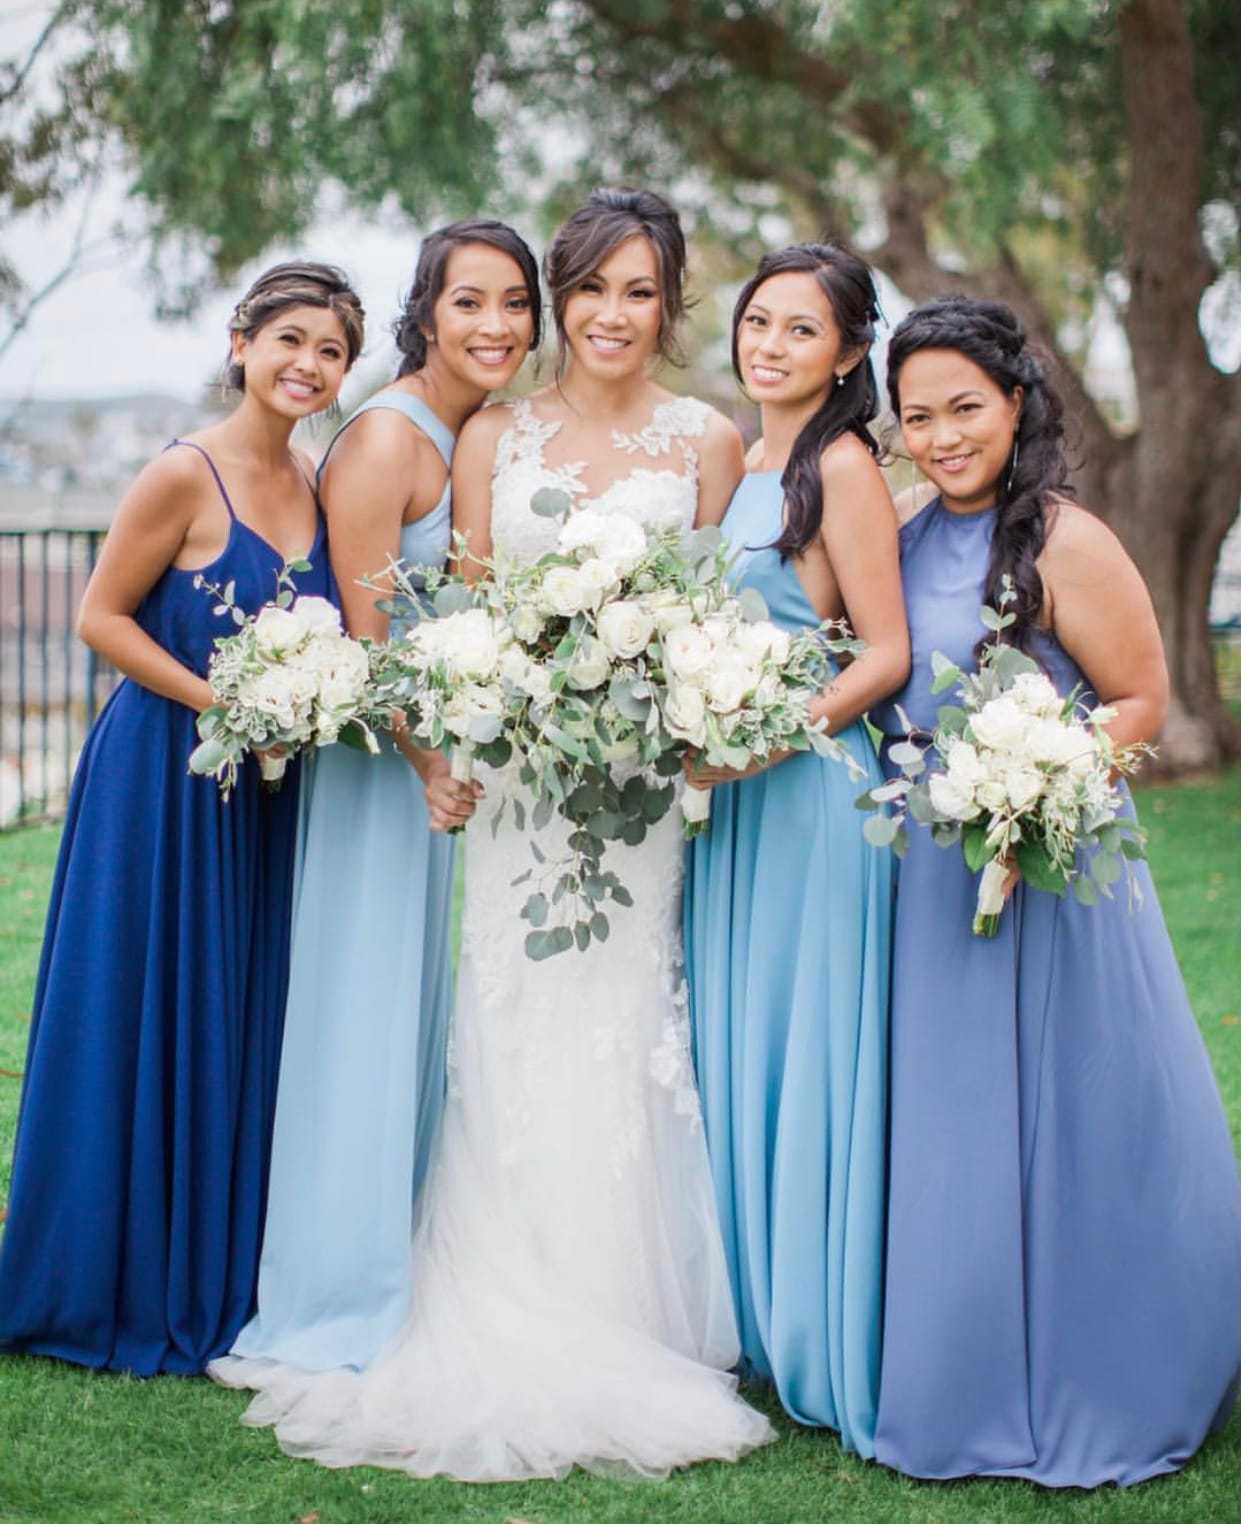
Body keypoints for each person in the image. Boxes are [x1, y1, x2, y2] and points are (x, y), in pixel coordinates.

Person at [225, 188, 774, 1481]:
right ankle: (499, 1275)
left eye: (638, 292)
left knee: (633, 1012)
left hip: (639, 787)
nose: (609, 314)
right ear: (561, 302)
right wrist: (506, 701)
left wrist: (674, 687)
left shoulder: (709, 440)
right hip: (519, 782)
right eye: (587, 289)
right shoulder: (493, 433)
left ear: (669, 305)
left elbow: (717, 610)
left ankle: (636, 1298)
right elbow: (468, 605)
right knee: (510, 1013)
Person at [872, 294, 1241, 1487]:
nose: (940, 437)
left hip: (1055, 863)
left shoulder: (1065, 540)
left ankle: (1115, 1367)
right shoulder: (900, 537)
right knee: (957, 1131)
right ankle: (962, 1376)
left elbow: (1138, 702)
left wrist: (1036, 785)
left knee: (1079, 1119)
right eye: (916, 417)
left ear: (1016, 402)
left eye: (962, 409)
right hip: (934, 873)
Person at [0, 262, 363, 1374]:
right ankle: (108, 1273)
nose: (308, 365)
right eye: (290, 340)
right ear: (241, 342)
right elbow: (100, 617)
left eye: (332, 352)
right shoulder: (181, 473)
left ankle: (223, 1266)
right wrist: (229, 704)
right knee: (142, 1002)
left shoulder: (315, 482)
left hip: (267, 790)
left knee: (237, 1003)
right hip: (164, 774)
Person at [209, 221, 541, 1387]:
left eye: (515, 304)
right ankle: (332, 1289)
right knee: (359, 1011)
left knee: (407, 1009)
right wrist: (427, 764)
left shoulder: (475, 430)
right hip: (380, 768)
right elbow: (367, 644)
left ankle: (401, 1253)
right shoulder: (386, 440)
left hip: (436, 764)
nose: (494, 325)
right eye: (468, 302)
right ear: (425, 315)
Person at [683, 243, 907, 1456]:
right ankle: (759, 1323)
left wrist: (756, 742)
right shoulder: (744, 454)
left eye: (800, 329)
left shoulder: (841, 464)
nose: (768, 345)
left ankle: (822, 1331)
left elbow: (883, 653)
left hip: (809, 794)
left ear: (848, 352)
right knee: (743, 1052)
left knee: (806, 1053)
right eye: (757, 321)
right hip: (730, 806)